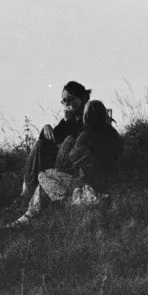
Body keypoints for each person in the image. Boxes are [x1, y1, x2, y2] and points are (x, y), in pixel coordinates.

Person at [10, 99, 121, 226]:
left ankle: (66, 202)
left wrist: (68, 142)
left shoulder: (85, 137)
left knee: (43, 175)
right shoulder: (113, 134)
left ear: (86, 117)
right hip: (106, 182)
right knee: (42, 187)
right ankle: (27, 217)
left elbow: (64, 164)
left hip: (87, 185)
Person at [16, 81, 90, 211]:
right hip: (64, 162)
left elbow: (81, 140)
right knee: (39, 144)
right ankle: (26, 192)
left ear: (81, 98)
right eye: (63, 101)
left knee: (67, 141)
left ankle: (33, 195)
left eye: (69, 99)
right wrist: (46, 128)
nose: (66, 104)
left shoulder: (90, 112)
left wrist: (69, 122)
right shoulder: (70, 117)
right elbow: (53, 138)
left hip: (77, 167)